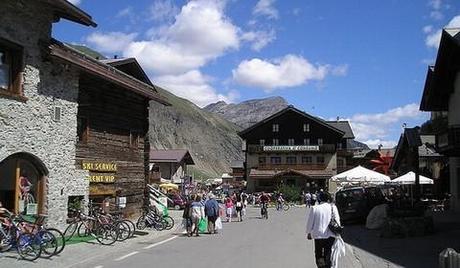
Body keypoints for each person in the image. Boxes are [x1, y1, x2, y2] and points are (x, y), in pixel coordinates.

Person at [306, 192, 341, 268]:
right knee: (328, 252)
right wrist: (337, 232)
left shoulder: (315, 208)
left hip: (318, 235)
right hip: (330, 235)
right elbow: (337, 221)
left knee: (318, 253)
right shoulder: (333, 207)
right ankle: (327, 266)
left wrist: (309, 233)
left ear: (319, 199)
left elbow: (310, 222)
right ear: (328, 199)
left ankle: (321, 266)